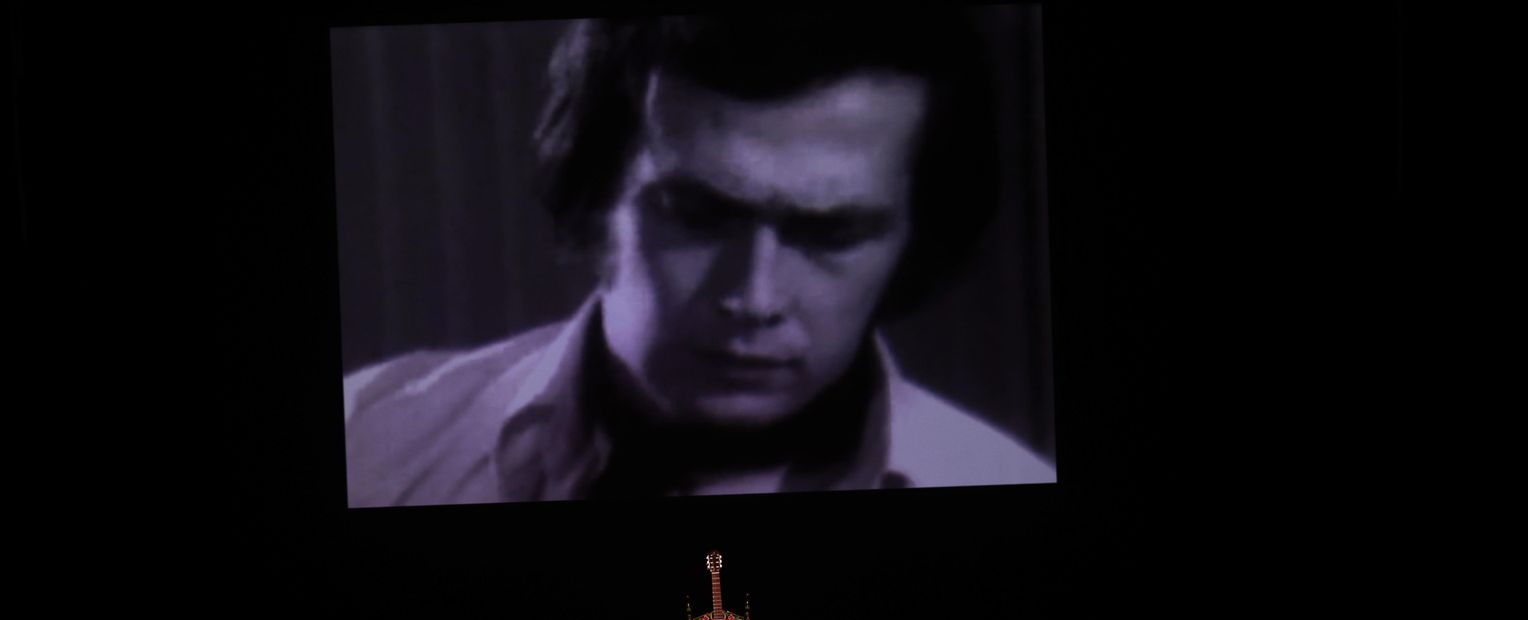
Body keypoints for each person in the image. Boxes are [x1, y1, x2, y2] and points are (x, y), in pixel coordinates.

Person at [343, 12, 1055, 507]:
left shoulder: (1004, 483)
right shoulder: (364, 442)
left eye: (830, 234)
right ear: (592, 197)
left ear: (914, 243)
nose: (754, 298)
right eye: (699, 217)